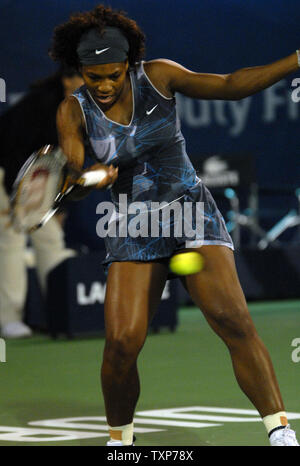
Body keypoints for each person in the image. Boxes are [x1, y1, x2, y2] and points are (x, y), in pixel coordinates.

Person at [50, 4, 300, 446]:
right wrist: (86, 178)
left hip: (189, 211)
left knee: (233, 318)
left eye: (114, 74)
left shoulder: (159, 76)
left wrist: (296, 59)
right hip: (130, 225)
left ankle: (279, 430)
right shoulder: (73, 111)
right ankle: (120, 441)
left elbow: (230, 86)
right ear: (80, 72)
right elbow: (73, 169)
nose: (105, 85)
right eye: (95, 77)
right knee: (122, 344)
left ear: (129, 63)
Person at [0, 66, 84, 338]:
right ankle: (9, 318)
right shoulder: (42, 104)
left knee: (50, 239)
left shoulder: (87, 108)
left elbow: (72, 164)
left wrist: (60, 205)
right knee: (10, 238)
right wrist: (16, 200)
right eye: (84, 78)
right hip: (6, 170)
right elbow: (14, 151)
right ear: (67, 79)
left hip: (42, 176)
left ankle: (63, 312)